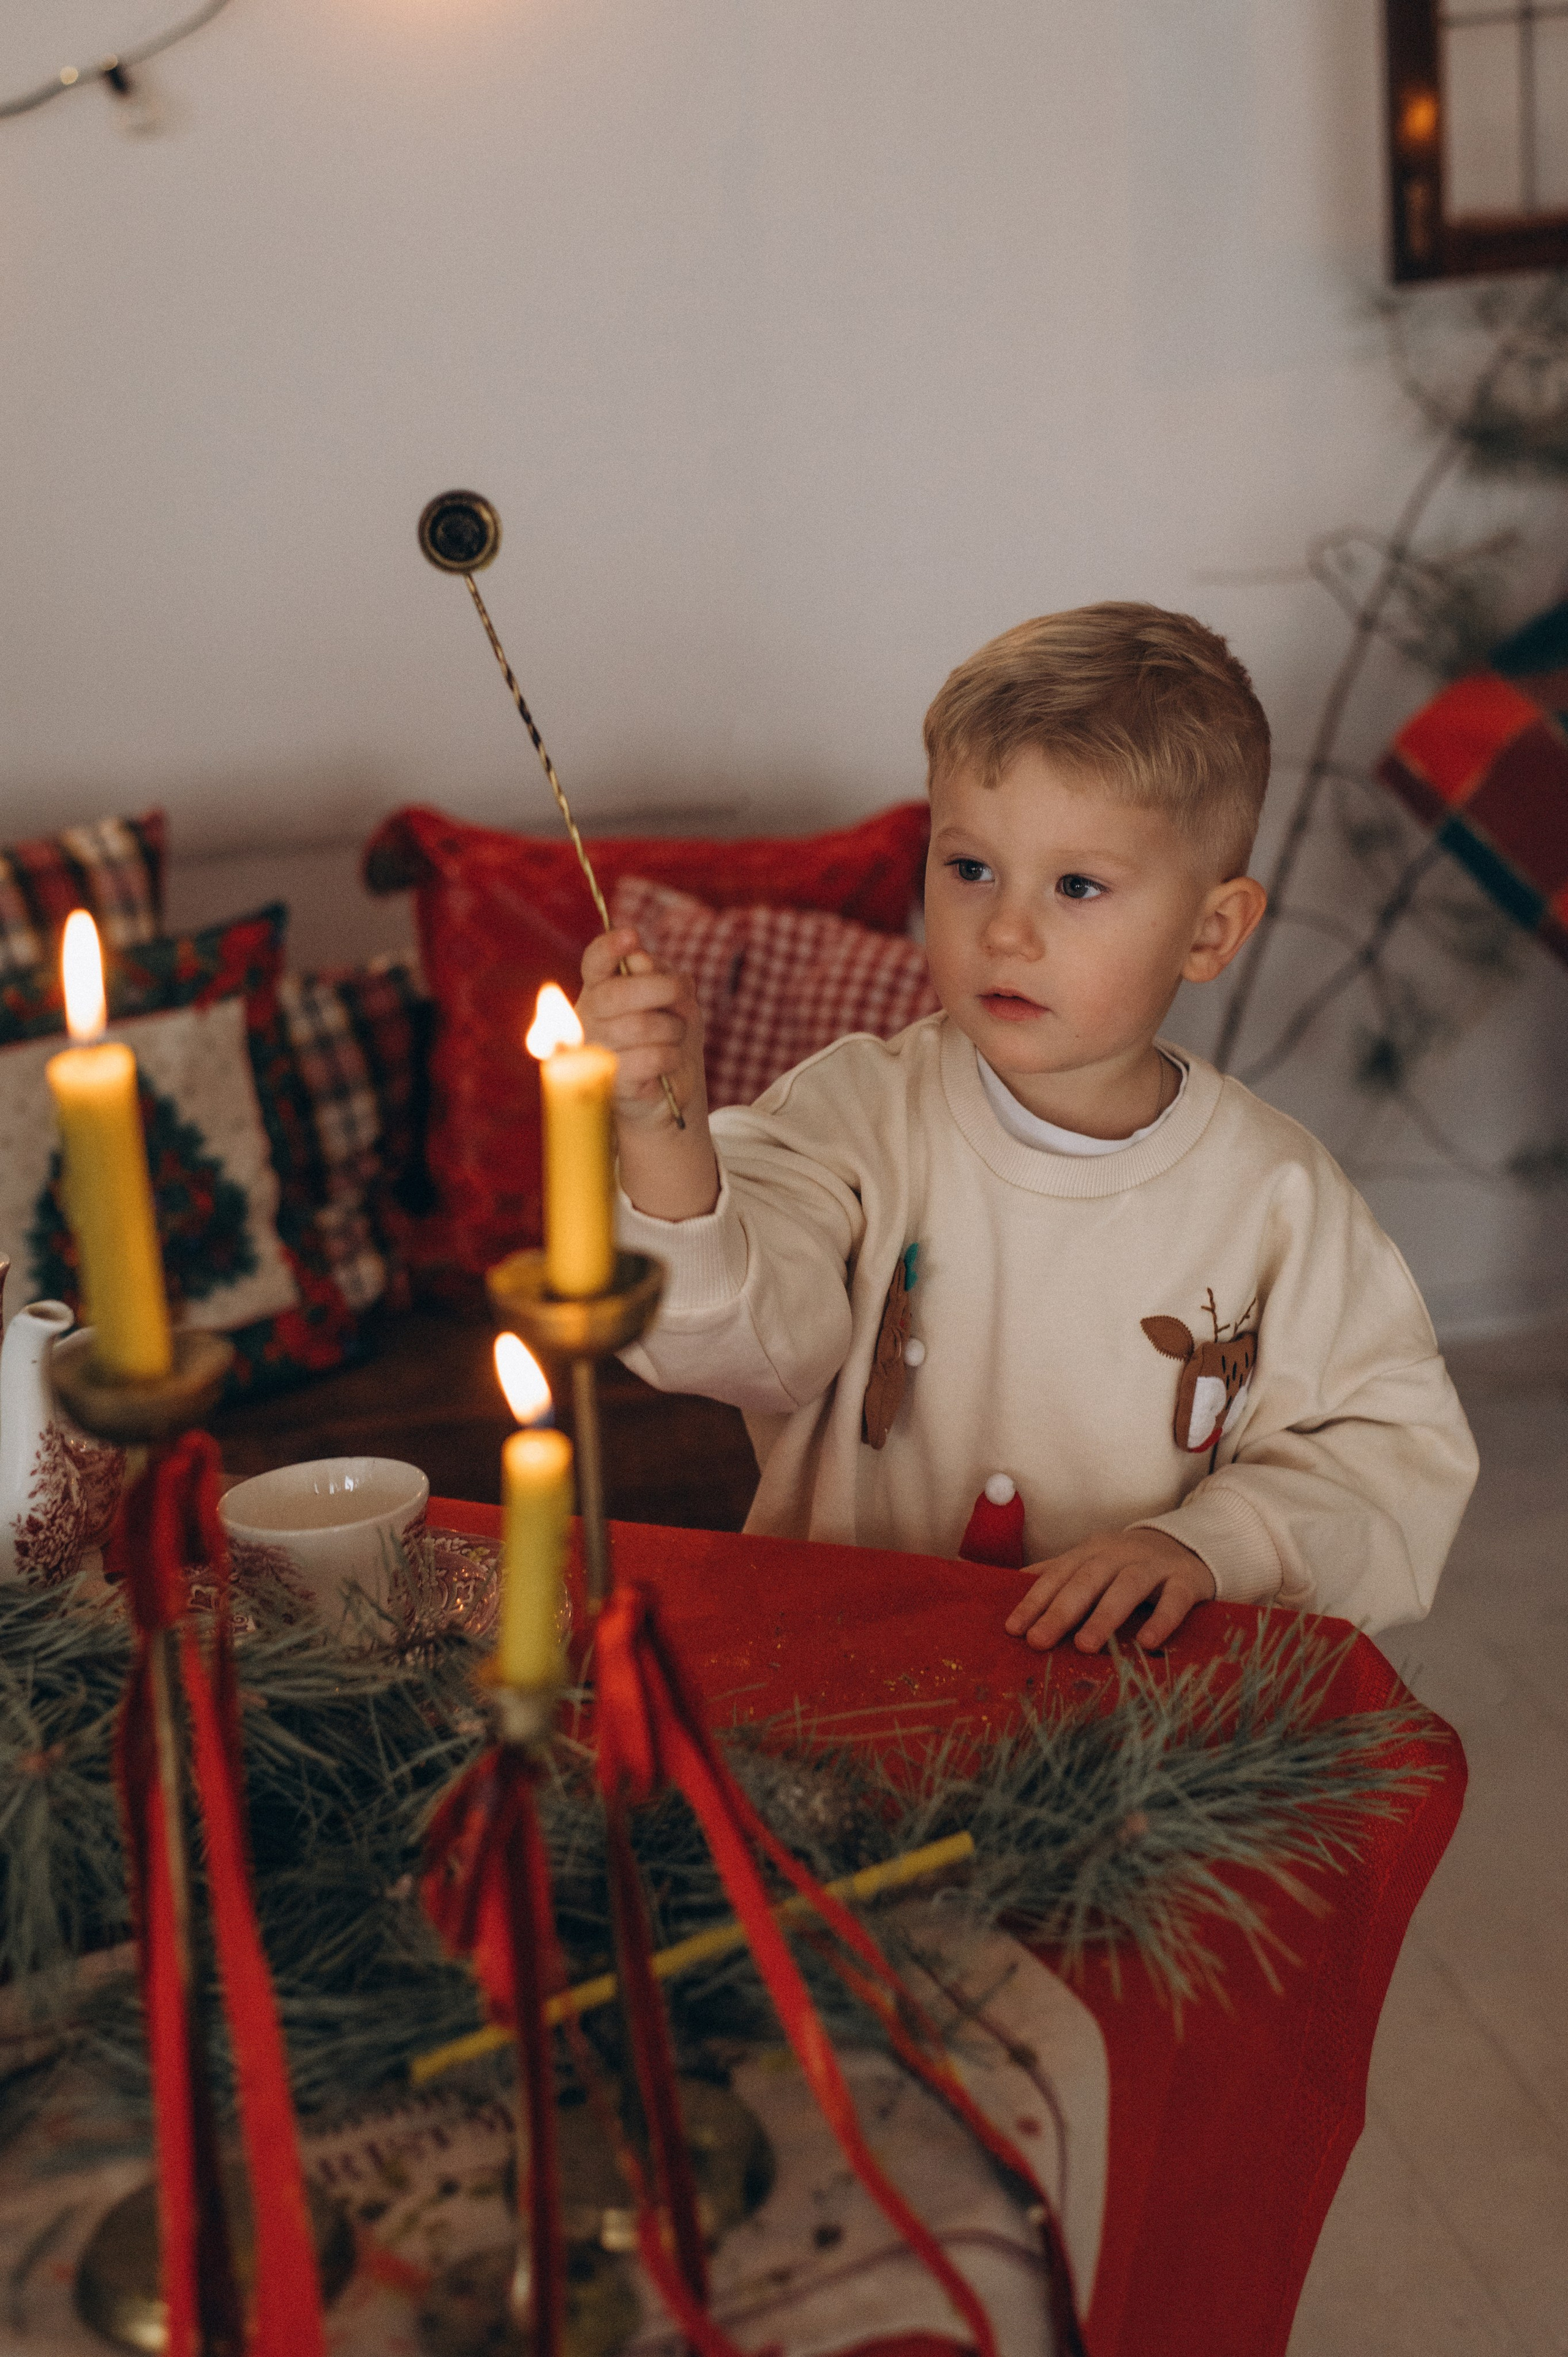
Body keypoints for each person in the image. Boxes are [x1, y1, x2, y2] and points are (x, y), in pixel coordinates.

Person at [577, 604, 1477, 1652]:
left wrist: (1206, 1548)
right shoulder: (852, 1114)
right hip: (853, 1678)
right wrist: (659, 1126)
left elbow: (1386, 1455)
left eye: (1078, 885)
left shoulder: (1278, 1197)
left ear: (1210, 929)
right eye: (970, 869)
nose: (1004, 929)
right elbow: (736, 1348)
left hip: (1130, 1739)